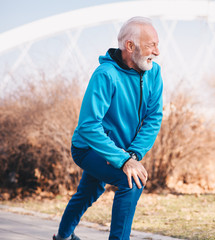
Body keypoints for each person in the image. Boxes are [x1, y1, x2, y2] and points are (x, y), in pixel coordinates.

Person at [53, 16, 163, 240]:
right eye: (152, 45)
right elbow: (88, 126)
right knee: (133, 182)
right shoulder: (105, 75)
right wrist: (121, 160)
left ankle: (62, 237)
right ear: (130, 46)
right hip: (88, 148)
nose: (157, 51)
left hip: (123, 152)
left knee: (88, 191)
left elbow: (154, 118)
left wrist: (132, 154)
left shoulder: (154, 72)